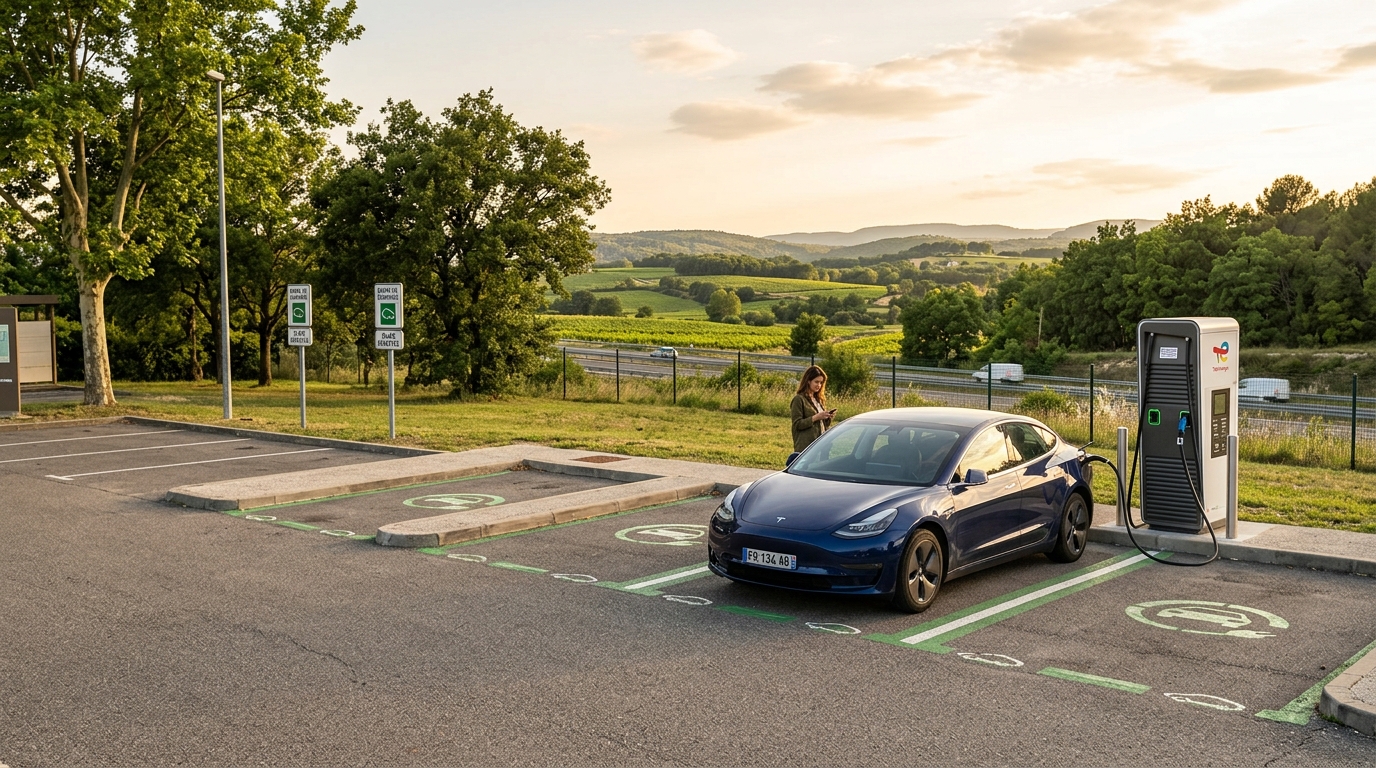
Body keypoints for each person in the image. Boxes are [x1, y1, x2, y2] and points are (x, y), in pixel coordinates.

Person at [790, 365, 836, 452]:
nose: (819, 385)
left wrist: (827, 417)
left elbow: (821, 425)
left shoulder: (818, 399)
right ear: (808, 381)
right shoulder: (799, 399)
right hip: (806, 446)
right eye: (816, 382)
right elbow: (797, 424)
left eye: (821, 383)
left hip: (820, 445)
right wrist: (816, 417)